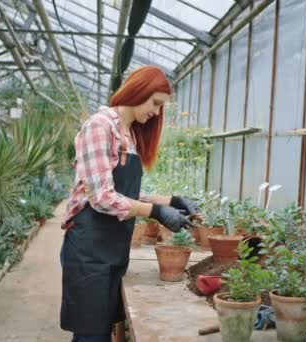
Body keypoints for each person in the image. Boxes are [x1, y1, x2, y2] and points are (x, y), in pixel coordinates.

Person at [59, 66, 199, 342]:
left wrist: (171, 201)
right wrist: (156, 212)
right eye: (155, 103)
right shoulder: (100, 126)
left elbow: (125, 192)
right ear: (138, 91)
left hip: (112, 248)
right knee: (91, 336)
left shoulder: (129, 134)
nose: (157, 113)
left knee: (103, 332)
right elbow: (101, 197)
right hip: (89, 251)